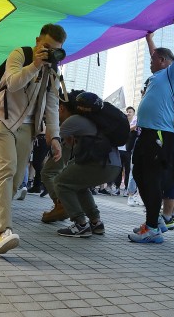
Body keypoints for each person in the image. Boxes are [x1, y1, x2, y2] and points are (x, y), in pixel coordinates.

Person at [0, 25, 66, 254]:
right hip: (3, 119)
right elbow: (13, 83)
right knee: (6, 170)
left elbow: (52, 105)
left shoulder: (53, 71)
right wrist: (35, 65)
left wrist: (55, 136)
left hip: (28, 129)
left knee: (16, 181)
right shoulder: (20, 54)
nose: (49, 52)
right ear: (38, 40)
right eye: (46, 47)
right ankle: (1, 232)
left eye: (56, 50)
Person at [128, 18, 174, 244]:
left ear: (163, 61)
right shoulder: (157, 75)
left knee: (152, 180)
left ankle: (152, 228)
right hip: (146, 135)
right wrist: (149, 39)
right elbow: (156, 53)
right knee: (139, 175)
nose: (150, 62)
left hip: (160, 136)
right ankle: (154, 221)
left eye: (153, 59)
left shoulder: (172, 74)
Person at [54, 92, 122, 238]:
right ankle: (96, 223)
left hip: (100, 163)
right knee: (78, 185)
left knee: (60, 182)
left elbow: (56, 140)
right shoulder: (96, 120)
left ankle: (80, 224)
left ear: (63, 108)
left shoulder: (72, 121)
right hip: (114, 164)